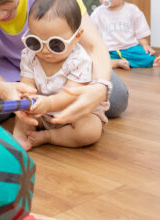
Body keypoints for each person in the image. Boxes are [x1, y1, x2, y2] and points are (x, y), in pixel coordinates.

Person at [0, 0, 128, 125]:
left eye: (4, 1)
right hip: (1, 65)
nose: (0, 14)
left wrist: (101, 85)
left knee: (116, 98)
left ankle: (42, 102)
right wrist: (4, 89)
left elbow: (94, 46)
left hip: (61, 62)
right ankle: (36, 104)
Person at [12, 0, 109, 151]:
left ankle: (49, 136)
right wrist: (26, 96)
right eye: (35, 42)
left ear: (77, 36)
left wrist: (49, 103)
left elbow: (71, 94)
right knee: (22, 116)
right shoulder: (29, 55)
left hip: (73, 113)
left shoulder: (79, 60)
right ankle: (18, 138)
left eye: (55, 44)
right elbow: (27, 83)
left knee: (90, 130)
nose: (44, 50)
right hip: (42, 112)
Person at [91, 0, 160, 70]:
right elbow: (93, 35)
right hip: (109, 50)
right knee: (96, 60)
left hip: (130, 48)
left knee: (148, 58)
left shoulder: (132, 10)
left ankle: (120, 63)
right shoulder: (98, 13)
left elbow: (140, 32)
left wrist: (145, 45)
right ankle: (116, 62)